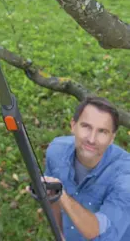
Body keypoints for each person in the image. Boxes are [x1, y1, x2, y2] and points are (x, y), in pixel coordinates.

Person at [34, 96, 130, 240]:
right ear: (73, 125)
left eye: (102, 131)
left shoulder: (125, 175)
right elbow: (52, 198)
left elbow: (102, 233)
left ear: (112, 138)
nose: (91, 139)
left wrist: (62, 195)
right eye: (86, 126)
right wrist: (60, 235)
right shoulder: (56, 151)